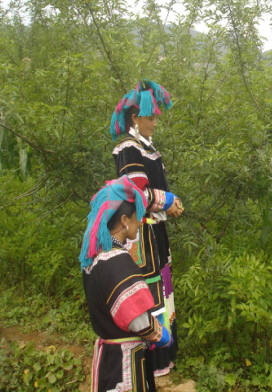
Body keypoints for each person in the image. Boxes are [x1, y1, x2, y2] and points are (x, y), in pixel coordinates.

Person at [110, 80, 183, 380]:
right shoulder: (129, 148)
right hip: (141, 236)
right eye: (149, 116)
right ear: (134, 119)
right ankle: (149, 359)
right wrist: (168, 200)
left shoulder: (146, 147)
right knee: (148, 291)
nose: (155, 121)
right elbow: (135, 194)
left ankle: (163, 355)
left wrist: (170, 204)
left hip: (155, 233)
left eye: (155, 116)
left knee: (160, 287)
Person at [80, 175, 173, 392]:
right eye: (136, 217)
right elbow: (138, 320)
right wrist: (161, 335)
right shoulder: (118, 263)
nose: (140, 222)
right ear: (124, 221)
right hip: (126, 365)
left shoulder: (94, 259)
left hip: (108, 359)